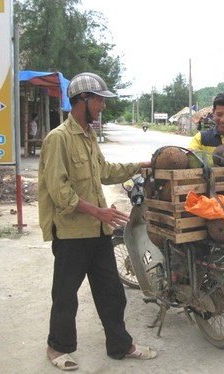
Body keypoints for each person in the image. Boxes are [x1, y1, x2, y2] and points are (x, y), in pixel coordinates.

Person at [38, 72, 156, 371]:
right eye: (100, 100)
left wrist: (138, 165)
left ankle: (120, 345)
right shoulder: (58, 139)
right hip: (71, 232)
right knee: (66, 294)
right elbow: (60, 191)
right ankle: (57, 347)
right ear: (83, 100)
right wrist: (98, 211)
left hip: (98, 231)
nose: (103, 106)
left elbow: (104, 171)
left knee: (111, 293)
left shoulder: (89, 136)